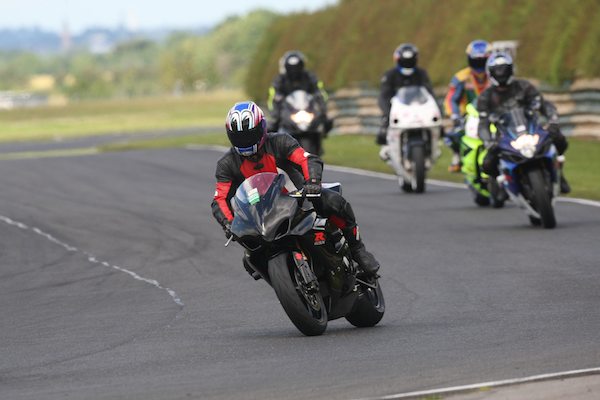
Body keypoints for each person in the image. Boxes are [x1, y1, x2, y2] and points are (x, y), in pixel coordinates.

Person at [211, 101, 380, 278]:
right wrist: (228, 222)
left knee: (333, 201)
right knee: (250, 261)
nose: (246, 141)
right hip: (262, 216)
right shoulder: (227, 164)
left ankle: (358, 249)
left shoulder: (280, 141)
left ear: (261, 128)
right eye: (239, 137)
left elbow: (306, 159)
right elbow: (220, 199)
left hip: (299, 200)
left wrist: (312, 181)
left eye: (250, 135)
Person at [477, 51, 571, 193]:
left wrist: (553, 121)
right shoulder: (486, 96)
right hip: (504, 136)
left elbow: (543, 104)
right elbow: (483, 123)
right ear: (490, 73)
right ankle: (498, 186)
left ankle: (559, 173)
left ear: (511, 69)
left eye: (504, 70)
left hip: (531, 129)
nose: (501, 74)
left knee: (558, 137)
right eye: (497, 71)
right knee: (487, 163)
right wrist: (488, 141)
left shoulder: (524, 86)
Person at [443, 40, 492, 172]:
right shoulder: (461, 77)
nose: (479, 65)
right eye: (476, 61)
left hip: (493, 113)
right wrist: (454, 115)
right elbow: (451, 99)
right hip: (469, 116)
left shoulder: (496, 74)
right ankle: (458, 156)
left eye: (482, 61)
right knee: (452, 135)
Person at [376, 43, 434, 148]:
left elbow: (429, 93)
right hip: (397, 110)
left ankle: (431, 145)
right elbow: (384, 96)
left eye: (410, 61)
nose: (407, 64)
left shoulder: (421, 74)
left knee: (437, 126)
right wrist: (388, 112)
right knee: (383, 130)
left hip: (419, 109)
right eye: (405, 61)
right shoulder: (390, 75)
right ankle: (388, 145)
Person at [267, 50, 333, 133]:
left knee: (326, 120)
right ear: (286, 67)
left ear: (301, 66)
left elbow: (320, 91)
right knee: (273, 124)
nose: (294, 70)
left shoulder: (309, 76)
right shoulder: (280, 80)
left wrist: (321, 105)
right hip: (289, 110)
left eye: (297, 67)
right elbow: (273, 96)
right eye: (291, 68)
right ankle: (274, 129)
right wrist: (278, 100)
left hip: (307, 108)